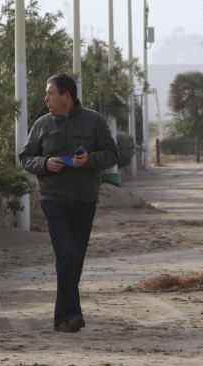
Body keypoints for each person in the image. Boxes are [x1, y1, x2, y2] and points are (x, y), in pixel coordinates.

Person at [19, 73, 119, 333]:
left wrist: (90, 160)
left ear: (67, 95)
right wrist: (44, 164)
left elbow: (111, 154)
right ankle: (73, 313)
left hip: (85, 199)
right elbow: (26, 156)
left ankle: (61, 318)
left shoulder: (94, 121)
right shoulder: (41, 125)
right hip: (53, 199)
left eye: (50, 93)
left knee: (74, 259)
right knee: (66, 253)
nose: (46, 98)